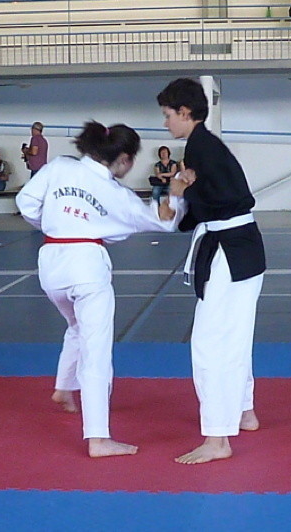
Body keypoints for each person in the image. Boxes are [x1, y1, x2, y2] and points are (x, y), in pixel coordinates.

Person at [16, 121, 186, 458]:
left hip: (50, 263)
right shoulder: (117, 194)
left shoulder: (59, 167)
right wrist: (177, 191)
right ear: (123, 159)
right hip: (87, 266)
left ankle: (64, 387)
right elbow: (164, 221)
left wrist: (57, 223)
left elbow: (26, 202)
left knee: (76, 326)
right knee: (96, 351)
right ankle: (98, 438)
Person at [157, 78, 266, 465]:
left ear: (185, 112)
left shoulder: (202, 147)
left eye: (168, 115)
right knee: (235, 337)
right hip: (238, 248)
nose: (166, 123)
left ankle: (218, 439)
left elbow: (222, 201)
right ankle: (244, 412)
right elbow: (212, 204)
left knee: (209, 343)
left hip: (230, 252)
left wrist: (182, 191)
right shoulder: (202, 146)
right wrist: (183, 189)